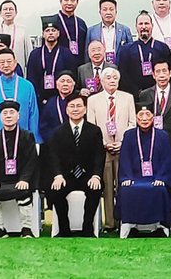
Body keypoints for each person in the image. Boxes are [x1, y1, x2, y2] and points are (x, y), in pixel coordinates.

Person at [41, 95, 105, 237]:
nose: (75, 109)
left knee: (95, 189)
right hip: (66, 176)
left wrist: (96, 176)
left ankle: (87, 228)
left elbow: (99, 155)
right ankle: (64, 229)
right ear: (67, 110)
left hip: (87, 175)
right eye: (72, 106)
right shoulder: (58, 132)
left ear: (85, 109)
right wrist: (58, 175)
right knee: (56, 190)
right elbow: (53, 156)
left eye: (78, 106)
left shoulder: (94, 131)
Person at [138, 58, 171, 228]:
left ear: (170, 73)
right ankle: (155, 218)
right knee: (153, 183)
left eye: (164, 71)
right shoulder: (145, 94)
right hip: (151, 147)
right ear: (153, 74)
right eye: (158, 72)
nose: (161, 75)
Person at [86, 67, 135, 228]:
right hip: (103, 149)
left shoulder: (127, 98)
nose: (112, 80)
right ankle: (110, 223)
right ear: (101, 80)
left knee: (123, 186)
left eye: (115, 77)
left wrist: (122, 142)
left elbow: (132, 123)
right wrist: (104, 144)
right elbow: (91, 126)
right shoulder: (93, 100)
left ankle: (124, 220)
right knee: (107, 187)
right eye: (108, 77)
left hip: (123, 148)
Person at [0, 101, 39, 238]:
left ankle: (26, 228)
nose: (8, 116)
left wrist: (24, 179)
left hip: (21, 180)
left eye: (12, 112)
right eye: (5, 113)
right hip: (0, 180)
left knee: (24, 189)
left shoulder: (27, 136)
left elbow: (32, 161)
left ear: (18, 115)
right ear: (0, 117)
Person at [119, 107, 171, 235]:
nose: (144, 118)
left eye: (147, 115)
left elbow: (167, 159)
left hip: (156, 177)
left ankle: (161, 225)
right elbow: (125, 158)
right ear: (136, 117)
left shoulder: (163, 135)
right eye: (141, 115)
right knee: (127, 189)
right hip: (134, 177)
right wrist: (127, 177)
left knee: (160, 189)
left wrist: (161, 178)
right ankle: (129, 224)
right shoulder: (129, 135)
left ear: (153, 117)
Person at [0, 49, 40, 142]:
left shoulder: (27, 86)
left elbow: (33, 116)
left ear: (15, 62)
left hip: (23, 140)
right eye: (2, 62)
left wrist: (35, 140)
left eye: (9, 61)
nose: (5, 65)